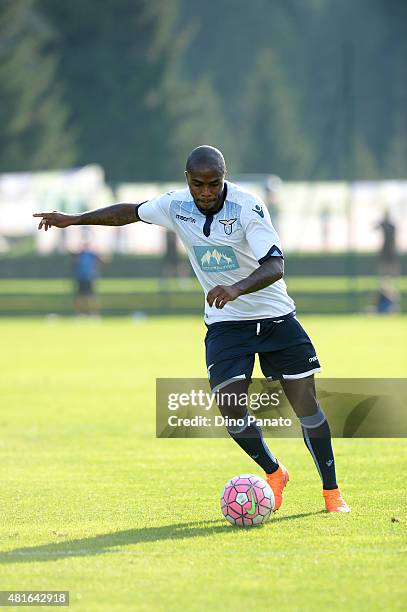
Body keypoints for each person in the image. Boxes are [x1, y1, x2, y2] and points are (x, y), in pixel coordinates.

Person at [33, 145, 350, 513]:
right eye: (198, 184)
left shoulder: (248, 208)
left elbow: (276, 265)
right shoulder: (175, 205)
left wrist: (235, 288)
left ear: (223, 178)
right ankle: (274, 472)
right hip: (227, 325)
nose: (206, 192)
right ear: (188, 180)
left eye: (214, 184)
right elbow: (128, 213)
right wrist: (73, 220)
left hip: (276, 319)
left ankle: (332, 494)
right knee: (230, 407)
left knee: (305, 405)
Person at [72, 240, 104, 316]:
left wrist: (95, 269)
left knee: (91, 296)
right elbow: (73, 264)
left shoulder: (91, 254)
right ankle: (79, 313)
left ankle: (93, 313)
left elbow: (102, 261)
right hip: (80, 278)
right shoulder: (79, 254)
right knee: (79, 296)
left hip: (89, 277)